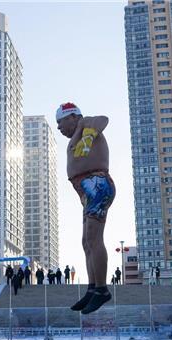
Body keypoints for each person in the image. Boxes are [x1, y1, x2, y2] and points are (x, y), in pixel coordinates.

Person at [58, 103, 115, 315]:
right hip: (87, 192)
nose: (59, 128)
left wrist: (89, 136)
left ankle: (101, 290)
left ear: (72, 117)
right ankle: (93, 288)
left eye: (60, 122)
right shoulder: (78, 132)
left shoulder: (86, 123)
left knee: (93, 238)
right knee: (86, 241)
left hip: (97, 184)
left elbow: (103, 119)